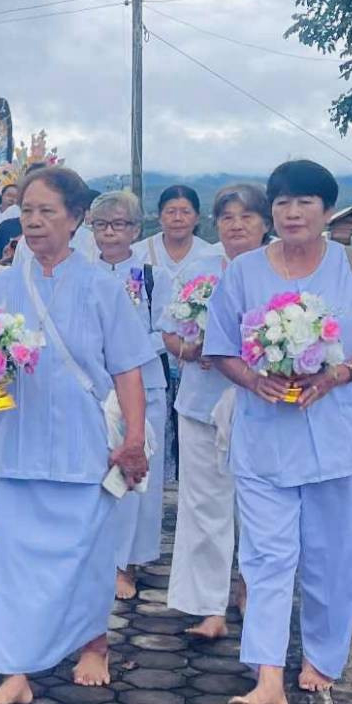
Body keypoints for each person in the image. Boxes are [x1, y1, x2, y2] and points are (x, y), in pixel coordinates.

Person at [204, 160, 352, 704]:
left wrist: (338, 373)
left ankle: (322, 657)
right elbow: (220, 347)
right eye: (282, 203)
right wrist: (255, 377)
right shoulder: (245, 271)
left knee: (330, 556)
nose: (292, 213)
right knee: (266, 557)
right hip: (264, 436)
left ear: (326, 210)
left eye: (305, 203)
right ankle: (267, 675)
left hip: (336, 436)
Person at [0, 168, 151, 704]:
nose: (33, 221)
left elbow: (129, 371)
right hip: (20, 443)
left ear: (75, 220)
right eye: (27, 210)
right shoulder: (1, 286)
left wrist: (135, 440)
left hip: (85, 446)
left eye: (47, 211)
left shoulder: (102, 286)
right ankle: (15, 671)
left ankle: (93, 645)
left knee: (88, 556)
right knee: (15, 565)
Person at [163, 182, 270, 639]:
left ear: (265, 224)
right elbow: (168, 332)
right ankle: (208, 606)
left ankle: (253, 590)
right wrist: (190, 349)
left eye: (247, 217)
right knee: (203, 503)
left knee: (259, 507)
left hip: (261, 403)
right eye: (227, 217)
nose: (236, 225)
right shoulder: (198, 268)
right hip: (201, 400)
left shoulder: (280, 268)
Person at [91, 190, 170, 602]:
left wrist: (126, 347)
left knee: (136, 476)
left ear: (136, 230)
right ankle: (96, 560)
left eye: (119, 224)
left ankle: (126, 563)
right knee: (96, 476)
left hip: (144, 384)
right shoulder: (83, 273)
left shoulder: (153, 275)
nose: (110, 232)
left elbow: (169, 332)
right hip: (95, 387)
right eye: (101, 225)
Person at [133, 185, 216, 402]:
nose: (178, 218)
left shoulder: (210, 256)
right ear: (159, 217)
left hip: (196, 359)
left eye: (185, 212)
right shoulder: (139, 253)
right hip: (149, 357)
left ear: (197, 217)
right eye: (171, 212)